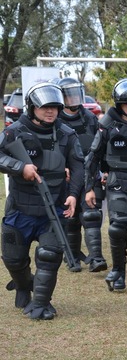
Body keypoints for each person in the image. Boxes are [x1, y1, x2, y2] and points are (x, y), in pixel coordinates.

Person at [0, 82, 84, 320]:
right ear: (32, 107)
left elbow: (78, 166)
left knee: (49, 255)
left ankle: (41, 304)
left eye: (55, 107)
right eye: (45, 107)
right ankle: (24, 286)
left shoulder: (67, 134)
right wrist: (20, 167)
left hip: (53, 208)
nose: (51, 112)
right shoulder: (14, 131)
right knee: (13, 258)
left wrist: (73, 194)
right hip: (20, 209)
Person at [84, 78, 127, 292]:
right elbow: (92, 157)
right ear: (119, 105)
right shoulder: (107, 125)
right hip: (117, 180)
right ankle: (119, 273)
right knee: (117, 227)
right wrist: (89, 188)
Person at [57, 77, 108, 273]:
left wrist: (104, 169)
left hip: (90, 171)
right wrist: (61, 167)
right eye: (69, 94)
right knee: (71, 217)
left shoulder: (90, 118)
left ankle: (96, 258)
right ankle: (72, 256)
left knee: (92, 214)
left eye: (76, 93)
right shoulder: (56, 120)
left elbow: (100, 145)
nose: (73, 98)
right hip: (68, 176)